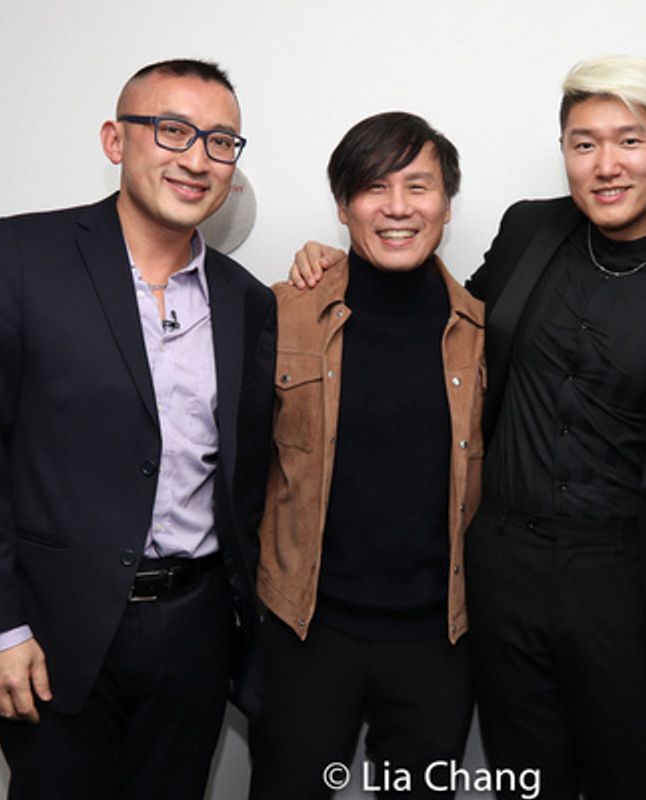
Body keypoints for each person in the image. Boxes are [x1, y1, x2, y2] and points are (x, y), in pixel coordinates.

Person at [291, 56, 646, 799]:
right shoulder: (529, 229)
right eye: (583, 143)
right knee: (522, 782)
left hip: (628, 588)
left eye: (630, 141)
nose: (605, 165)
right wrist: (340, 262)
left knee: (628, 782)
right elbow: (444, 331)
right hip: (500, 573)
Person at [0, 58, 276, 800]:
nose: (197, 158)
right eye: (173, 130)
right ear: (116, 140)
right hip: (51, 629)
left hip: (196, 629)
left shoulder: (247, 300)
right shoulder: (22, 255)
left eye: (221, 141)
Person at [249, 112, 484, 799]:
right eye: (374, 188)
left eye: (419, 186)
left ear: (446, 201)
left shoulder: (481, 329)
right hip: (306, 632)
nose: (399, 208)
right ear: (344, 204)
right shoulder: (281, 312)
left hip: (438, 641)